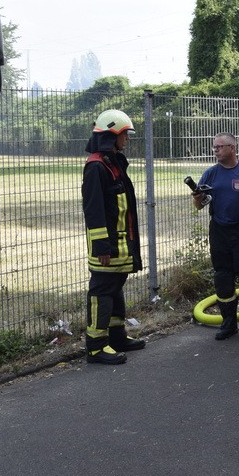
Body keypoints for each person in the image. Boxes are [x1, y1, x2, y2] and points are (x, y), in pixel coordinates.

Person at [82, 109, 146, 365]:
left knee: (115, 288)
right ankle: (96, 347)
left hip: (121, 244)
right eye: (124, 135)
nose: (127, 140)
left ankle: (117, 337)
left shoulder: (113, 162)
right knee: (102, 291)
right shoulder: (97, 167)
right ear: (112, 135)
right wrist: (102, 247)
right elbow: (94, 211)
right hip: (108, 247)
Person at [192, 133, 239, 341]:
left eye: (219, 147)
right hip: (219, 232)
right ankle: (228, 323)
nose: (215, 150)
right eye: (214, 147)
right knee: (223, 277)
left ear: (232, 148)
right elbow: (199, 205)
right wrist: (198, 199)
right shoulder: (210, 174)